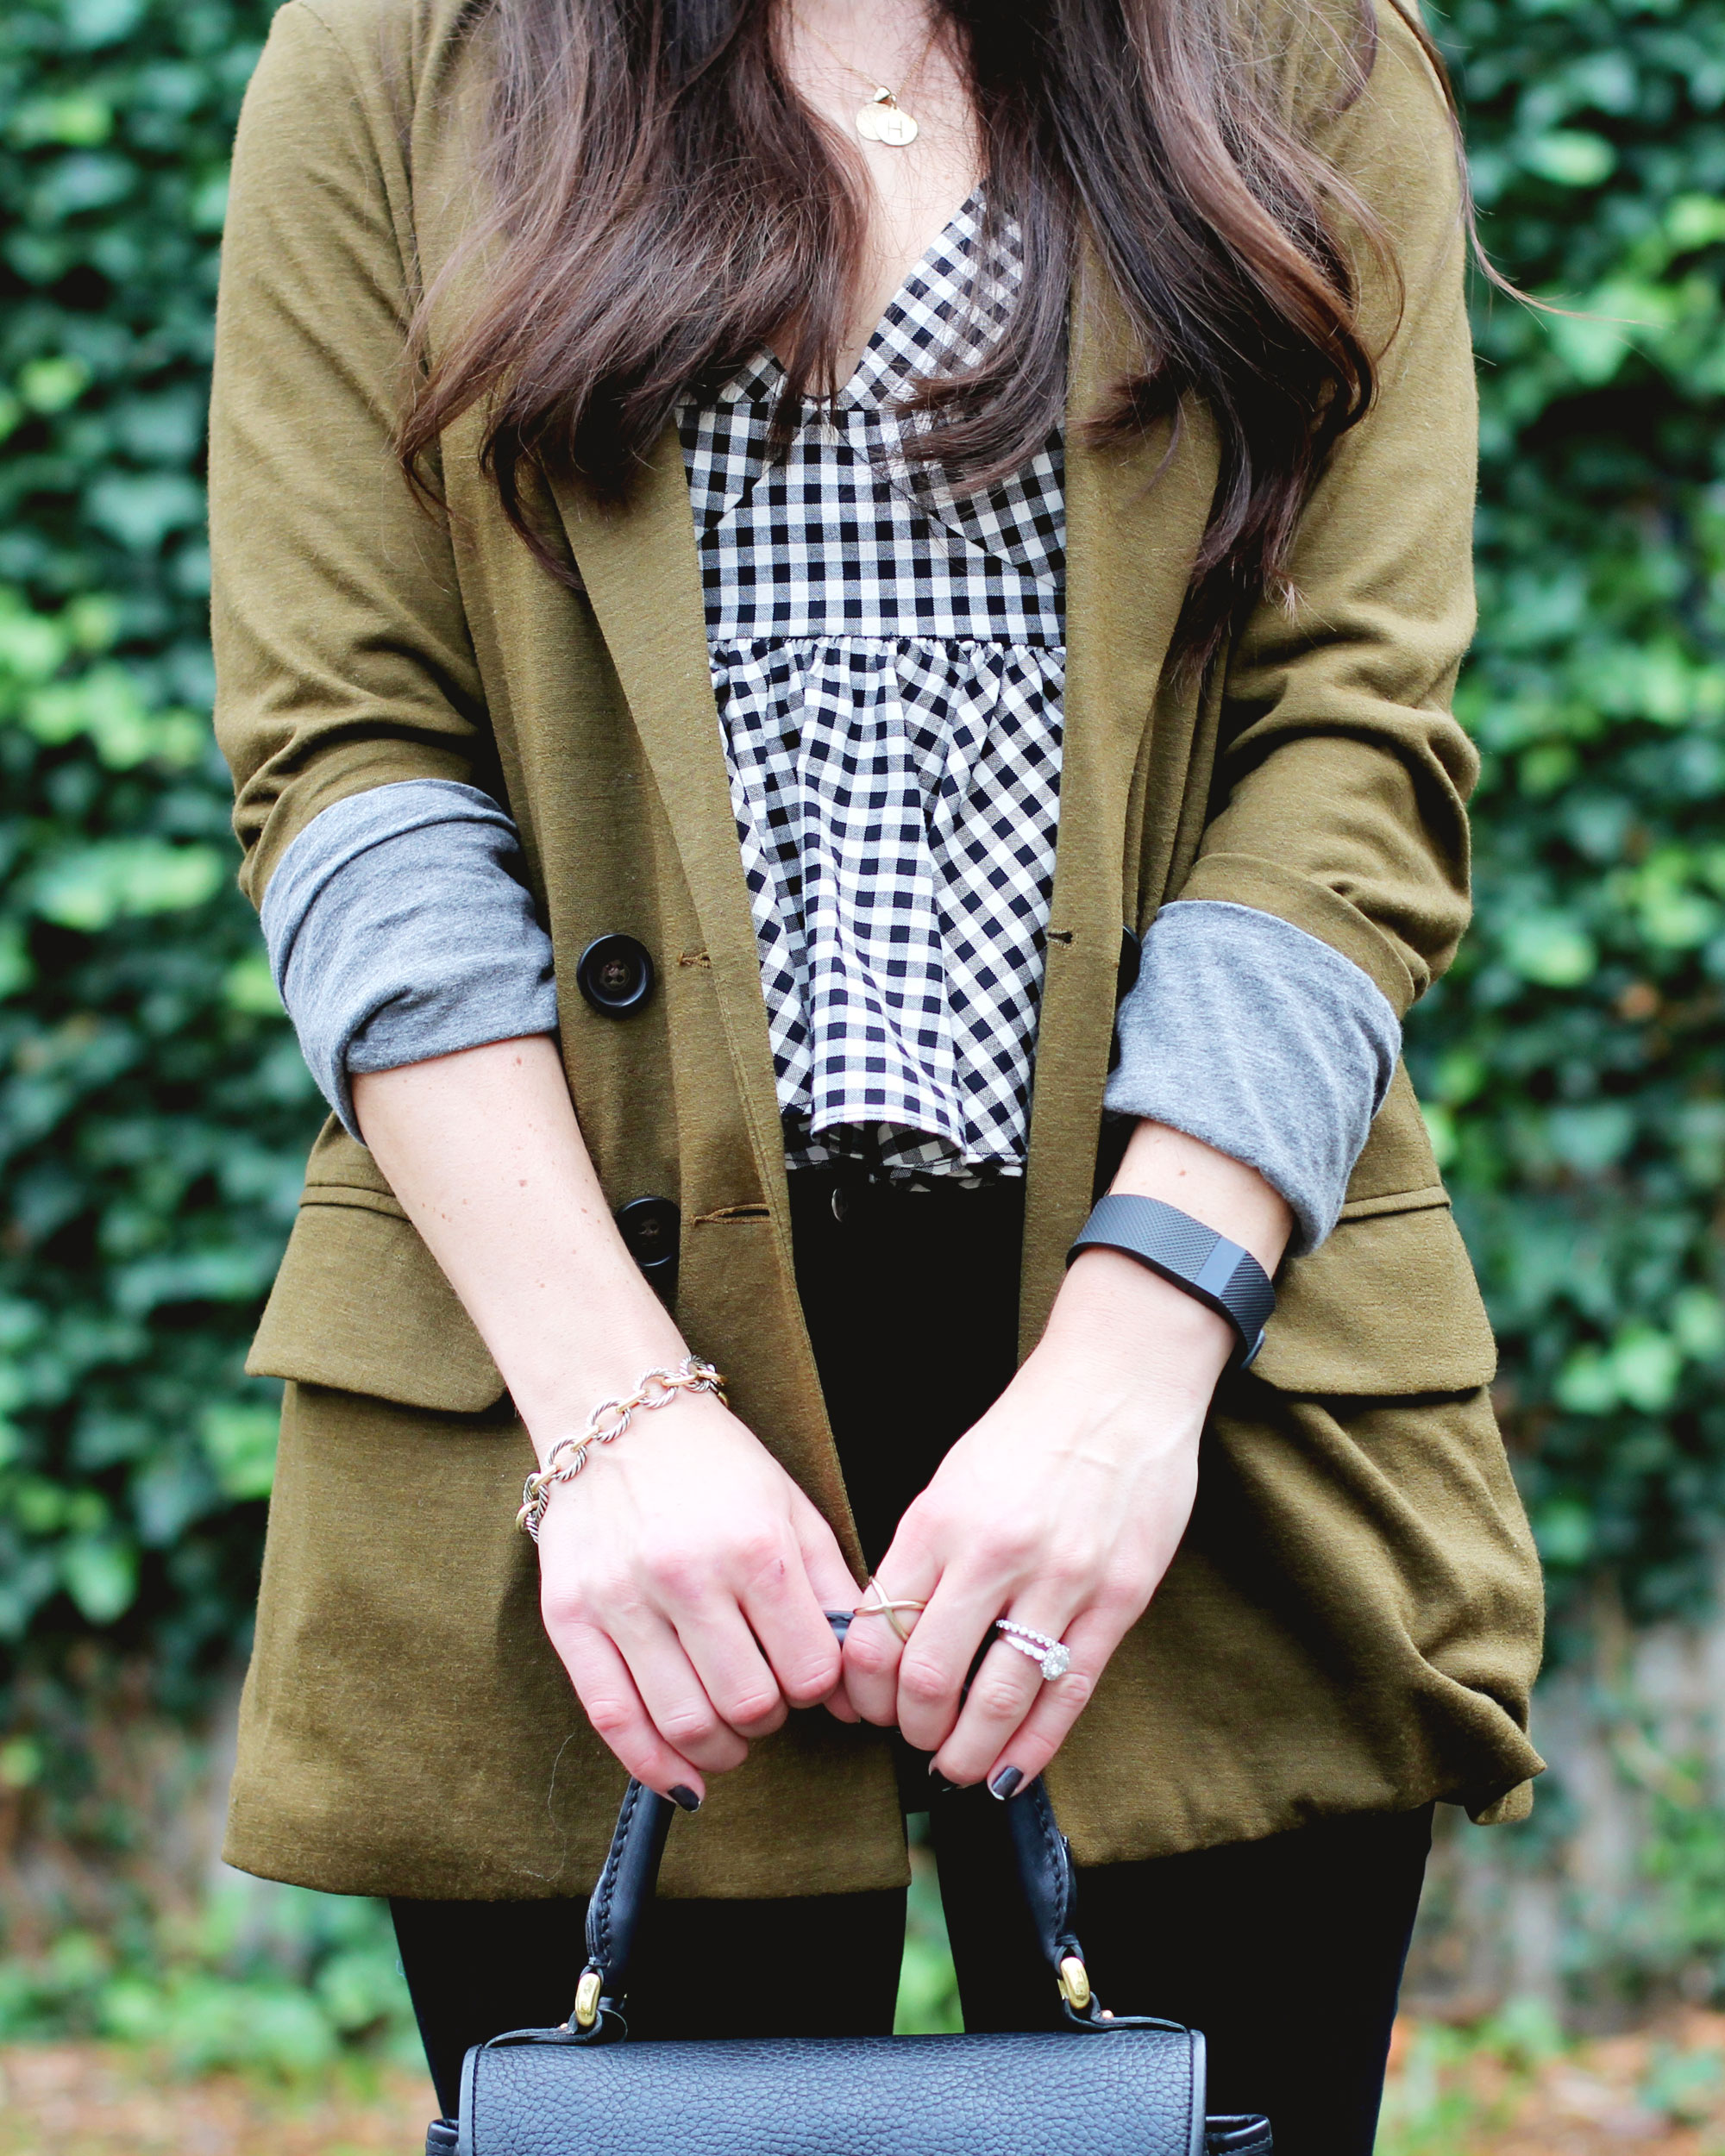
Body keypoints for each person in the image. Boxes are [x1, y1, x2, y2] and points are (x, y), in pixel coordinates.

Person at [209, 1, 1546, 2148]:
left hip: (1202, 1372)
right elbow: (351, 766)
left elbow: (1353, 754)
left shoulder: (1299, 56)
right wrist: (612, 1417)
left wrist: (1124, 1388)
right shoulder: (399, 56)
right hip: (580, 1398)